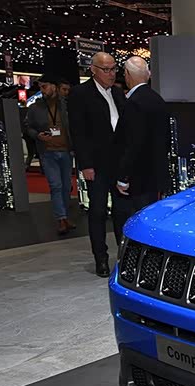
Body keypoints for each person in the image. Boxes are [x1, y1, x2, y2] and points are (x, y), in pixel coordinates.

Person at [68, 51, 125, 278]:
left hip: (119, 164)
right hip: (97, 165)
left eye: (114, 69)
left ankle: (124, 256)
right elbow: (78, 132)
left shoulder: (118, 93)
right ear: (93, 69)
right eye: (106, 69)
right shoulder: (80, 94)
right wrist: (86, 164)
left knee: (122, 211)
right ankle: (100, 258)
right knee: (98, 211)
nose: (111, 74)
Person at [114, 57, 170, 242]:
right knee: (151, 220)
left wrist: (123, 177)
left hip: (138, 178)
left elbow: (132, 144)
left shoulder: (134, 102)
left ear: (127, 75)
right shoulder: (157, 99)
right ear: (148, 75)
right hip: (155, 174)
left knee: (134, 223)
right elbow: (165, 140)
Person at [25, 74, 74, 234]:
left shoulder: (66, 105)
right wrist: (37, 135)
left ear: (54, 86)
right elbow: (28, 127)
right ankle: (61, 218)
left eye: (44, 86)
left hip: (66, 151)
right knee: (56, 186)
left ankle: (65, 216)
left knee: (66, 187)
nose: (42, 90)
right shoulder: (35, 108)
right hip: (47, 152)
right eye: (40, 87)